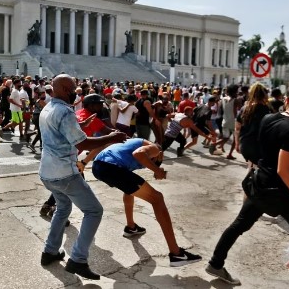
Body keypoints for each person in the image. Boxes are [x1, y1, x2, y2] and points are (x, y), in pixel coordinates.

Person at [206, 83, 289, 286]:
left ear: (287, 100)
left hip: (260, 184)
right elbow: (283, 169)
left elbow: (278, 154)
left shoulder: (269, 118)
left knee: (239, 225)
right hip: (280, 193)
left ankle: (215, 263)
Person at [38, 74, 127, 280]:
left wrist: (83, 125)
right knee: (94, 211)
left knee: (63, 208)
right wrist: (112, 137)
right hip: (64, 173)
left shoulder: (48, 108)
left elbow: (63, 135)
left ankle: (49, 251)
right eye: (71, 89)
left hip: (47, 172)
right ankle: (78, 259)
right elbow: (82, 145)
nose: (74, 94)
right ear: (61, 89)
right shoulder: (64, 112)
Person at [92, 138, 202, 266]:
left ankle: (131, 227)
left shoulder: (129, 146)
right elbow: (139, 154)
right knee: (157, 198)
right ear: (160, 154)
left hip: (98, 167)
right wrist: (157, 170)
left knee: (129, 190)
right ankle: (176, 254)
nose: (153, 162)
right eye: (157, 161)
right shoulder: (155, 148)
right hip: (111, 167)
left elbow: (130, 184)